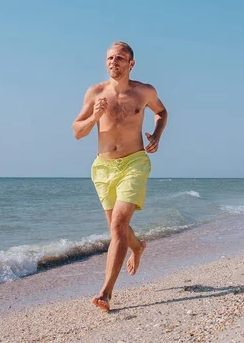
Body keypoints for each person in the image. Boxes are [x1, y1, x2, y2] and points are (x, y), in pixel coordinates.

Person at [72, 41, 168, 312]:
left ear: (131, 63)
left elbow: (162, 112)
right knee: (119, 229)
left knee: (118, 227)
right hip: (103, 168)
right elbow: (77, 131)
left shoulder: (144, 91)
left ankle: (105, 293)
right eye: (110, 58)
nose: (114, 62)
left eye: (120, 58)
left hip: (135, 163)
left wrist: (157, 135)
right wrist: (95, 117)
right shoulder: (95, 93)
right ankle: (137, 247)